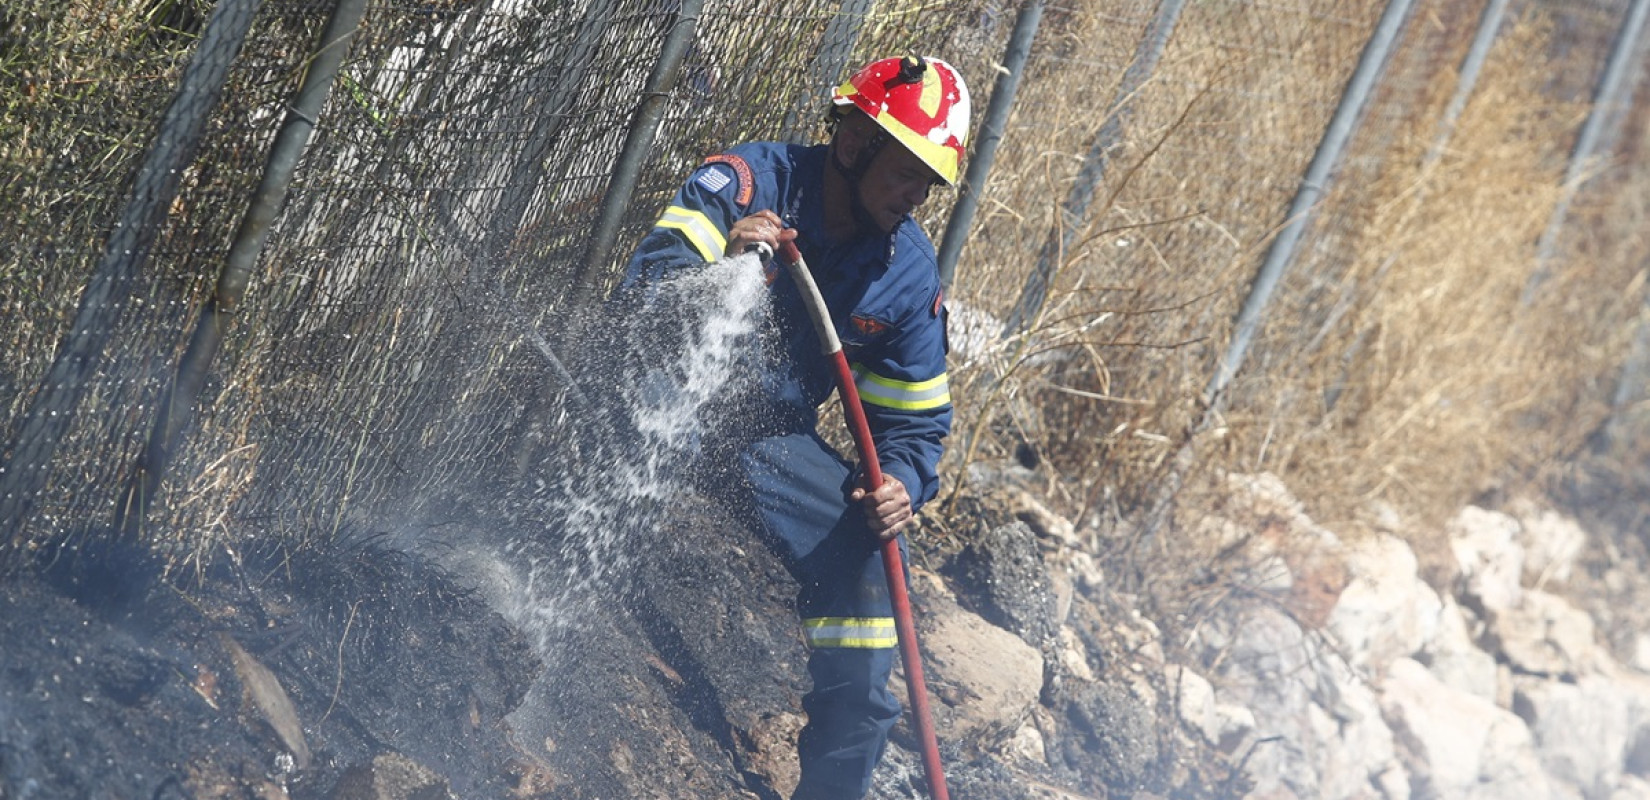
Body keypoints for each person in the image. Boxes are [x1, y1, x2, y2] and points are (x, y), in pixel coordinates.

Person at [621, 55, 969, 800]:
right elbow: (646, 291)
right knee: (621, 453)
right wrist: (726, 264)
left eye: (928, 184)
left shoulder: (907, 276)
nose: (916, 196)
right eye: (907, 170)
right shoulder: (748, 180)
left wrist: (902, 487)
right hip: (654, 393)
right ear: (853, 146)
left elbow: (912, 427)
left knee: (870, 560)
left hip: (762, 440)